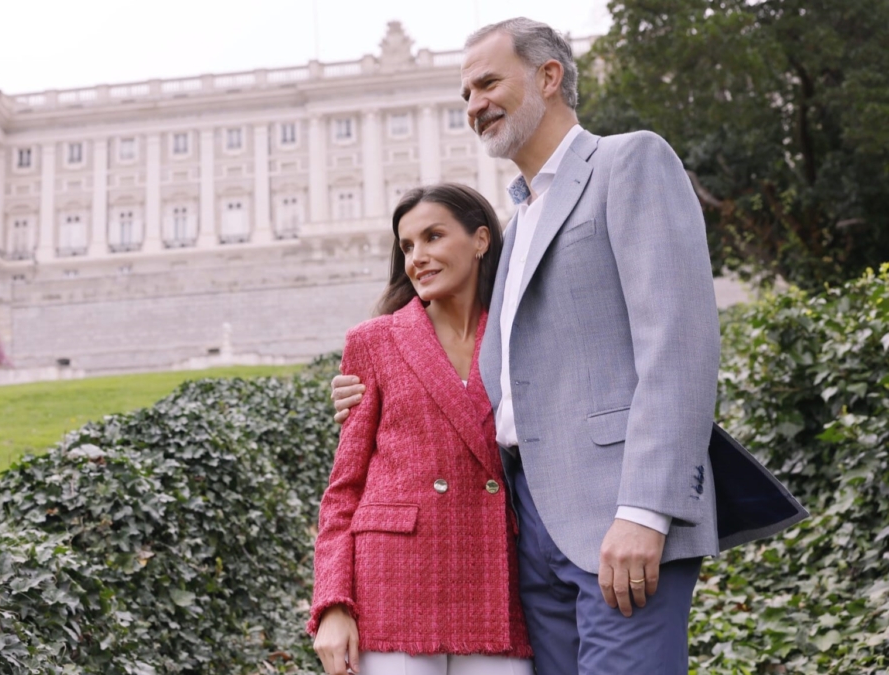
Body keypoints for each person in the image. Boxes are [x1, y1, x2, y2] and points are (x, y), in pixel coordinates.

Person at [330, 17, 807, 674]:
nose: (474, 106)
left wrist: (645, 508)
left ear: (549, 77)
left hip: (620, 511)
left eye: (488, 83)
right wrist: (375, 394)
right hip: (529, 526)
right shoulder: (518, 220)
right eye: (465, 93)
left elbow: (678, 348)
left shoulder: (628, 161)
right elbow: (511, 370)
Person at [310, 183, 533, 675]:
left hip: (495, 576)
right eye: (407, 246)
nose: (418, 257)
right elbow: (343, 490)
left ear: (480, 240)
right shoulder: (373, 342)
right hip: (392, 584)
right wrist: (331, 604)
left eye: (433, 237)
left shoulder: (521, 332)